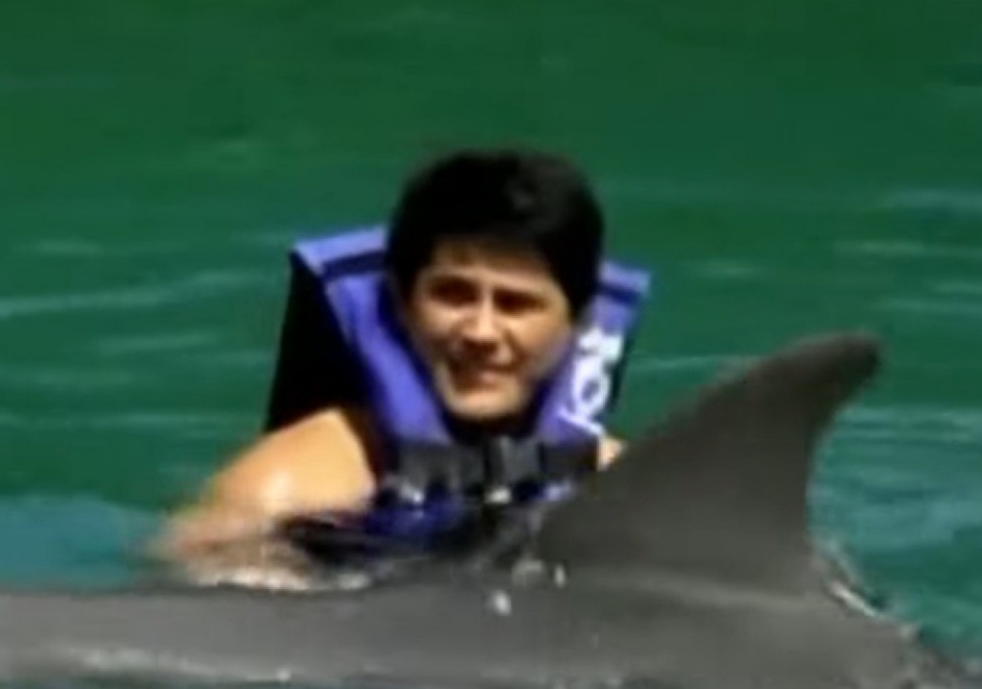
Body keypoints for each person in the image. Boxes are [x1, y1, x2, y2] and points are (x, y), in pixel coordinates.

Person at [154, 147, 652, 588]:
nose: (481, 332)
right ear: (402, 302)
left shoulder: (622, 482)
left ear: (577, 319)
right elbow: (191, 601)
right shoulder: (287, 489)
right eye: (453, 294)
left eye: (515, 304)